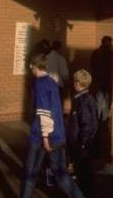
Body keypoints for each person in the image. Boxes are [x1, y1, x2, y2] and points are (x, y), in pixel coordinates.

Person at [20, 52, 83, 198]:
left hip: (41, 137)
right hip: (58, 134)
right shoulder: (52, 82)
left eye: (31, 66)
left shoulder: (39, 84)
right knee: (61, 174)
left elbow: (44, 111)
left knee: (30, 173)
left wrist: (45, 137)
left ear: (34, 66)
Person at [68, 69, 101, 194]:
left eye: (75, 81)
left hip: (81, 145)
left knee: (83, 174)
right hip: (81, 144)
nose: (74, 84)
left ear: (78, 83)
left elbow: (87, 125)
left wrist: (81, 143)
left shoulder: (83, 101)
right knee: (83, 173)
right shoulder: (83, 99)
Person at [90, 35, 113, 105]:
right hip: (107, 80)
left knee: (98, 97)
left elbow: (92, 65)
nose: (111, 44)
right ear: (107, 42)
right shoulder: (110, 53)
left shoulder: (95, 52)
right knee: (106, 98)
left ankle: (98, 113)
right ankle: (104, 113)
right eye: (110, 42)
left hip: (97, 79)